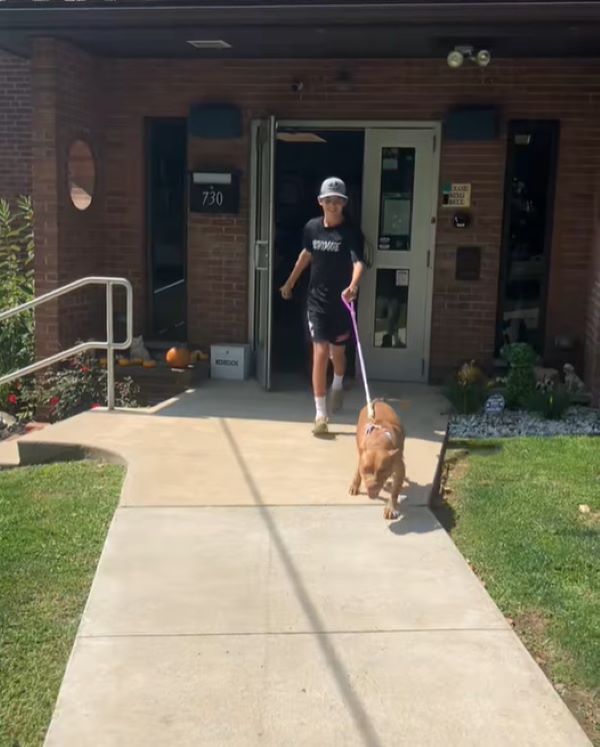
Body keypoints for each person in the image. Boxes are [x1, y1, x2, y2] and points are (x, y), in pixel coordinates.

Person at [280, 177, 366, 435]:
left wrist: (353, 286)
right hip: (315, 302)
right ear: (320, 202)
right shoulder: (311, 228)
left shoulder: (350, 233)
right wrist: (290, 283)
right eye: (328, 201)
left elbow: (358, 263)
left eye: (337, 201)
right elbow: (305, 256)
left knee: (337, 356)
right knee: (319, 352)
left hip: (341, 302)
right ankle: (320, 414)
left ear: (344, 204)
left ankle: (338, 385)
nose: (333, 205)